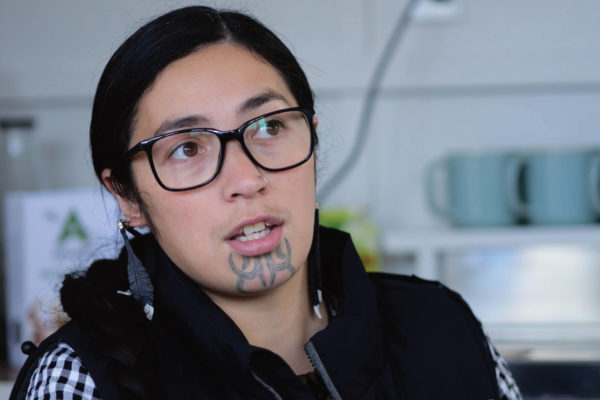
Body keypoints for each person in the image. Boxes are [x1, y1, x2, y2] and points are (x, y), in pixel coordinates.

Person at [11, 6, 521, 400]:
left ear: (313, 143)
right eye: (187, 148)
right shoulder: (82, 378)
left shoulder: (442, 326)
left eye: (269, 126)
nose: (247, 178)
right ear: (127, 197)